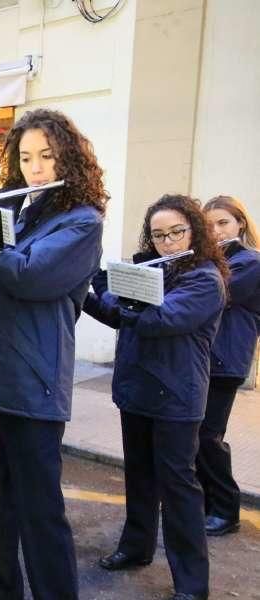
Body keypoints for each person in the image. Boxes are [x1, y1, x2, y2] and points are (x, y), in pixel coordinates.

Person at [0, 108, 106, 600]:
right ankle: (0, 591)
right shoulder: (16, 213)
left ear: (68, 159)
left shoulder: (82, 223)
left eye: (47, 157)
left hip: (31, 386)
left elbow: (29, 276)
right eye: (26, 157)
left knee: (40, 513)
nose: (36, 168)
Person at [85, 195, 227, 600]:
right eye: (159, 234)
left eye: (176, 232)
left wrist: (118, 293)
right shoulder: (149, 270)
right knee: (140, 477)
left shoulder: (204, 278)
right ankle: (135, 548)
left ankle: (192, 583)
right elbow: (118, 315)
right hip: (137, 392)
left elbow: (161, 319)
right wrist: (90, 288)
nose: (167, 242)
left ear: (194, 231)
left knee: (179, 488)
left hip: (177, 399)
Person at [196, 196, 260, 536]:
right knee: (199, 433)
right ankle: (209, 504)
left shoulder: (250, 261)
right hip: (204, 358)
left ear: (240, 224)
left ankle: (226, 509)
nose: (217, 231)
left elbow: (212, 293)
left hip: (226, 360)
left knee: (208, 434)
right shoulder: (213, 260)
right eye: (209, 225)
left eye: (223, 223)